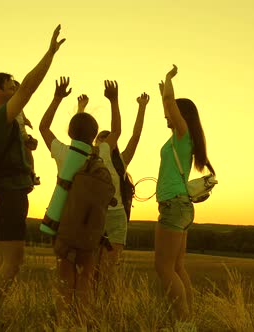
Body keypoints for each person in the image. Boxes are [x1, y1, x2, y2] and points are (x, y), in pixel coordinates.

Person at [0, 25, 65, 329]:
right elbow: (29, 87)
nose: (15, 86)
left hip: (11, 193)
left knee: (7, 261)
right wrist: (50, 54)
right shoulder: (0, 116)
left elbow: (23, 160)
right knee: (13, 262)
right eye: (10, 84)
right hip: (8, 195)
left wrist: (26, 152)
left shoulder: (10, 122)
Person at [39, 77, 120, 330]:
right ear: (95, 136)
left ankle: (64, 324)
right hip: (91, 232)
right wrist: (114, 101)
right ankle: (82, 324)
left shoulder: (63, 153)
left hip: (63, 227)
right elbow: (116, 132)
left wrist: (57, 98)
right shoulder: (103, 153)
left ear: (70, 133)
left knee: (65, 278)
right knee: (85, 278)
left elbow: (43, 127)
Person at [154, 64, 215, 329]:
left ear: (181, 115)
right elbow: (167, 103)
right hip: (182, 207)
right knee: (177, 267)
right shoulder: (182, 137)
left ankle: (183, 323)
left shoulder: (182, 134)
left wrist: (169, 80)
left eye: (170, 114)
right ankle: (188, 321)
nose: (166, 117)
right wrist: (163, 95)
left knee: (164, 268)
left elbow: (170, 103)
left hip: (173, 206)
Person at [78, 91, 150, 297]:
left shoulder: (122, 160)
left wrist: (142, 107)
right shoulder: (90, 157)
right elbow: (80, 135)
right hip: (94, 217)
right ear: (95, 142)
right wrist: (82, 109)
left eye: (108, 139)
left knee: (109, 271)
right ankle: (90, 309)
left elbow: (136, 136)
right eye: (101, 138)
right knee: (91, 270)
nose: (105, 142)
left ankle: (108, 310)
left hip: (117, 218)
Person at [13, 79, 41, 186]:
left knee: (29, 155)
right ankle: (30, 174)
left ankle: (32, 173)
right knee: (25, 154)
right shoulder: (9, 106)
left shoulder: (20, 106)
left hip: (23, 134)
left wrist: (26, 121)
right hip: (17, 136)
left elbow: (23, 115)